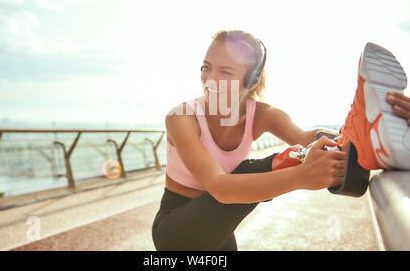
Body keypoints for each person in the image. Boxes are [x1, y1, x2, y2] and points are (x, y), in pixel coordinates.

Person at [151, 30, 410, 251]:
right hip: (177, 228)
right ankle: (362, 140)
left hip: (220, 229)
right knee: (248, 169)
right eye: (206, 67)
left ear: (251, 81)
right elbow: (219, 187)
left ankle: (371, 139)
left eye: (225, 71)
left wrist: (382, 127)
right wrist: (300, 177)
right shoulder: (181, 117)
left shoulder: (261, 114)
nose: (209, 79)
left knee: (309, 148)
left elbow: (308, 137)